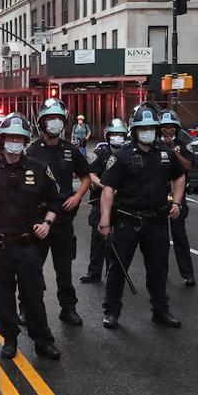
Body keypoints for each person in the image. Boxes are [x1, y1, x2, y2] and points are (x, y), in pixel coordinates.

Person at [0, 113, 63, 360]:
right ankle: (9, 339)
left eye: (20, 138)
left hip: (27, 246)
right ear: (2, 140)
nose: (15, 142)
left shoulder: (39, 169)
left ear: (25, 141)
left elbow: (56, 201)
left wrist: (47, 223)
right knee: (2, 296)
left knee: (33, 296)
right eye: (11, 137)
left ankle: (42, 340)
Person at [98, 105, 186, 329]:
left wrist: (176, 202)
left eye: (151, 128)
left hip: (156, 222)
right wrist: (105, 220)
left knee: (159, 269)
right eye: (142, 128)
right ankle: (111, 311)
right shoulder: (122, 156)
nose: (147, 131)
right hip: (128, 221)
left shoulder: (165, 154)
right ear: (135, 130)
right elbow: (108, 190)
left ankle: (161, 311)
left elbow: (180, 176)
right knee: (118, 268)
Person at [27, 99, 90, 326]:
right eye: (49, 119)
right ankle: (28, 308)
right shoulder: (31, 151)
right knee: (32, 269)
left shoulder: (70, 150)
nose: (54, 124)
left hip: (63, 221)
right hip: (38, 221)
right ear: (41, 123)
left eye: (58, 119)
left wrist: (77, 196)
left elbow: (86, 176)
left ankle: (68, 308)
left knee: (64, 268)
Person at [81, 118, 127, 285]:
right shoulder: (101, 151)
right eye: (114, 134)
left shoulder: (129, 152)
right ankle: (94, 273)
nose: (117, 137)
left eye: (120, 135)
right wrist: (105, 186)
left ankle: (113, 274)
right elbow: (91, 174)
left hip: (121, 203)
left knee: (117, 241)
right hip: (99, 201)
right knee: (98, 239)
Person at [159, 110, 198, 287]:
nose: (168, 133)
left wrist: (172, 152)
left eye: (171, 130)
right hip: (158, 196)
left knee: (179, 236)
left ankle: (188, 274)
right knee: (160, 239)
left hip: (177, 196)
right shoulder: (153, 146)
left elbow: (188, 165)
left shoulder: (183, 145)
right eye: (164, 130)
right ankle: (161, 272)